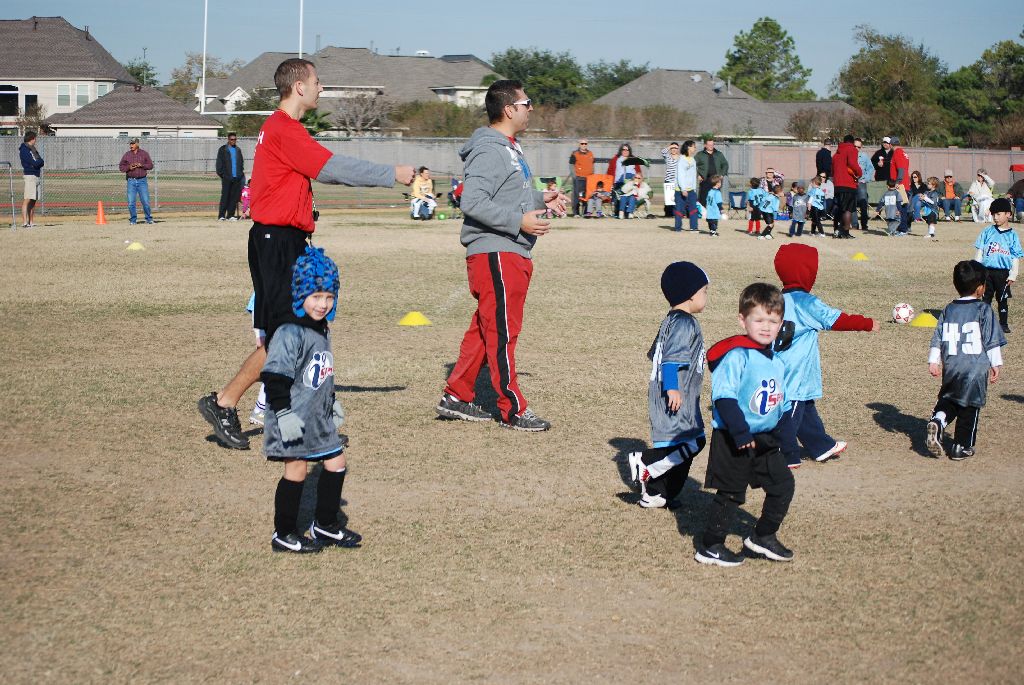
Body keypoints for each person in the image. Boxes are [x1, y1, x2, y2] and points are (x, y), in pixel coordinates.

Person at [197, 57, 414, 450]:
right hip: (277, 240)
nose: (321, 87)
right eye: (317, 81)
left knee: (298, 332)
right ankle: (227, 402)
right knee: (289, 334)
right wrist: (390, 175)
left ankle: (287, 414)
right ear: (299, 86)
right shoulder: (284, 129)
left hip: (281, 239)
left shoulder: (280, 128)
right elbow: (330, 168)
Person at [435, 79, 566, 432]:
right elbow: (472, 201)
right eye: (527, 102)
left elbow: (506, 196)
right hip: (496, 251)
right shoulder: (490, 150)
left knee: (486, 329)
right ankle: (513, 409)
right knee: (503, 331)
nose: (531, 108)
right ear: (509, 109)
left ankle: (456, 395)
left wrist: (540, 199)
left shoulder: (510, 148)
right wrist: (517, 221)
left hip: (509, 251)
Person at [263, 245, 362, 553]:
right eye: (316, 296)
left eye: (329, 296)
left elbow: (321, 373)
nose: (323, 304)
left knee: (336, 463)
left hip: (318, 418)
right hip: (292, 417)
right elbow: (274, 378)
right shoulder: (289, 332)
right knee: (296, 470)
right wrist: (283, 414)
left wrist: (331, 401)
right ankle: (284, 533)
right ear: (300, 295)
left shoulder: (321, 329)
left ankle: (326, 525)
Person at [695, 283, 795, 567]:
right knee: (731, 494)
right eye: (759, 320)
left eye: (773, 321)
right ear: (743, 320)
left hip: (765, 439)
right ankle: (711, 546)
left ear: (781, 324)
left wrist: (783, 435)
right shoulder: (737, 355)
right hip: (734, 437)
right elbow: (724, 398)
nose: (766, 327)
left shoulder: (776, 361)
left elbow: (780, 403)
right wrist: (740, 431)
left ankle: (763, 536)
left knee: (783, 484)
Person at [772, 244, 878, 468]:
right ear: (806, 272)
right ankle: (784, 454)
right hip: (795, 371)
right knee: (792, 409)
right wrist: (866, 323)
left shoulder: (776, 299)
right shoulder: (805, 302)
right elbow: (835, 319)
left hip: (778, 365)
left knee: (805, 407)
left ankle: (821, 446)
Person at [627, 262, 709, 508]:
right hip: (675, 395)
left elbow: (656, 354)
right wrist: (672, 387)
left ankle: (655, 494)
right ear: (690, 294)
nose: (706, 297)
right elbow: (670, 359)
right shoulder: (685, 323)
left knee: (680, 444)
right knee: (693, 441)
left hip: (676, 395)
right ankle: (646, 462)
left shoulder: (671, 320)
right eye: (704, 291)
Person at [925, 260, 1007, 461]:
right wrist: (996, 364)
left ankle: (939, 420)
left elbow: (938, 336)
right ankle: (961, 447)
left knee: (950, 398)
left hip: (952, 366)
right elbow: (991, 339)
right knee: (970, 405)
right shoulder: (983, 309)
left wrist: (933, 360)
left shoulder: (949, 309)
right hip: (974, 369)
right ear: (980, 288)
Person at [974, 198, 1021, 334]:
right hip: (987, 272)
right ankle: (984, 323)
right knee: (986, 299)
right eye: (993, 214)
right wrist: (977, 269)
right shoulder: (987, 231)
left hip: (1003, 274)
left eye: (998, 214)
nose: (995, 217)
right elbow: (980, 251)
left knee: (1002, 299)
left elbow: (1015, 256)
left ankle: (1003, 324)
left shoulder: (1012, 236)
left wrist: (1013, 274)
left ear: (1008, 214)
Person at [830, 134, 862, 239]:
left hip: (837, 185)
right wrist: (859, 172)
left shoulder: (836, 154)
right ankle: (845, 232)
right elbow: (852, 163)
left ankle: (836, 230)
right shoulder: (852, 150)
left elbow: (832, 170)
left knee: (839, 209)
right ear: (852, 142)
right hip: (848, 184)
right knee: (848, 209)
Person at [118, 138, 154, 225]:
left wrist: (141, 165)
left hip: (142, 181)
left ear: (137, 144)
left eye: (133, 144)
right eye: (130, 144)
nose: (131, 145)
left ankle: (149, 219)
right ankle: (133, 220)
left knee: (145, 201)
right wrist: (129, 167)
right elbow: (121, 167)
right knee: (131, 203)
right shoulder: (127, 155)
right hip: (131, 181)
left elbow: (150, 165)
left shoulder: (144, 153)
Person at [216, 132, 246, 221]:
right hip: (227, 177)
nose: (233, 141)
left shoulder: (238, 150)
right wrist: (222, 174)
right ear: (228, 140)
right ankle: (221, 215)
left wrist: (240, 173)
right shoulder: (223, 149)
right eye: (232, 139)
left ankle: (230, 215)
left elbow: (241, 162)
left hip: (237, 177)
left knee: (234, 197)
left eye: (235, 139)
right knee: (225, 196)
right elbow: (219, 163)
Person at [19, 131, 43, 228]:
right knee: (27, 199)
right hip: (30, 175)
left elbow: (41, 161)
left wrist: (38, 163)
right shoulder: (24, 149)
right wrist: (37, 163)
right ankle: (25, 222)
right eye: (35, 138)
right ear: (31, 139)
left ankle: (31, 222)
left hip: (36, 175)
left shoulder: (33, 149)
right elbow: (32, 162)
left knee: (33, 200)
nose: (35, 140)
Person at [673, 141, 699, 232]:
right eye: (693, 147)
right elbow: (680, 175)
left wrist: (694, 188)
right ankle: (678, 228)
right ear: (688, 147)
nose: (695, 148)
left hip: (691, 190)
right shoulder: (682, 160)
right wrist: (683, 189)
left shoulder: (693, 160)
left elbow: (693, 175)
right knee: (679, 210)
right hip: (680, 190)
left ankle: (694, 227)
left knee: (693, 209)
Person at [695, 137, 729, 206]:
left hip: (716, 180)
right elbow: (693, 166)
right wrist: (698, 175)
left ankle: (716, 210)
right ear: (705, 145)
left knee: (716, 198)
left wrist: (722, 175)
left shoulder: (719, 154)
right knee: (703, 198)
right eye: (709, 145)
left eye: (712, 145)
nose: (711, 146)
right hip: (705, 180)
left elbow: (725, 164)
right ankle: (703, 210)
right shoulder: (700, 155)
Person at [569, 139, 594, 216]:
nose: (584, 145)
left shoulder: (590, 153)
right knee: (576, 195)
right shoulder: (575, 153)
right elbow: (571, 165)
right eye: (582, 143)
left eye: (585, 143)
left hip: (588, 178)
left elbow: (592, 165)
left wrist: (592, 175)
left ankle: (585, 212)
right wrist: (574, 175)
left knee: (587, 195)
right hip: (578, 177)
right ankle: (576, 212)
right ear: (579, 144)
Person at [852, 138, 872, 230]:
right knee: (852, 203)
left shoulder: (864, 156)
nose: (856, 148)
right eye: (855, 146)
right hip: (851, 183)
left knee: (863, 204)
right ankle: (854, 224)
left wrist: (866, 179)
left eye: (858, 147)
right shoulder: (848, 156)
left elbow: (870, 168)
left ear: (861, 147)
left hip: (861, 182)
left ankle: (864, 224)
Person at [660, 141, 680, 218]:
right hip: (668, 181)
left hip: (677, 181)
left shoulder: (681, 158)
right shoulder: (667, 157)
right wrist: (670, 146)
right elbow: (663, 151)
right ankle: (668, 214)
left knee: (677, 198)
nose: (674, 149)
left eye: (675, 148)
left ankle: (676, 213)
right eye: (672, 148)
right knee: (669, 199)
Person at [920, 176, 941, 241]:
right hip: (928, 210)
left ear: (933, 185)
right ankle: (930, 233)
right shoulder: (927, 192)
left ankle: (931, 233)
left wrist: (925, 198)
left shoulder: (935, 193)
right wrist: (922, 197)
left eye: (929, 184)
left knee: (931, 222)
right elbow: (924, 199)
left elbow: (932, 202)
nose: (927, 185)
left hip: (933, 211)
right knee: (929, 222)